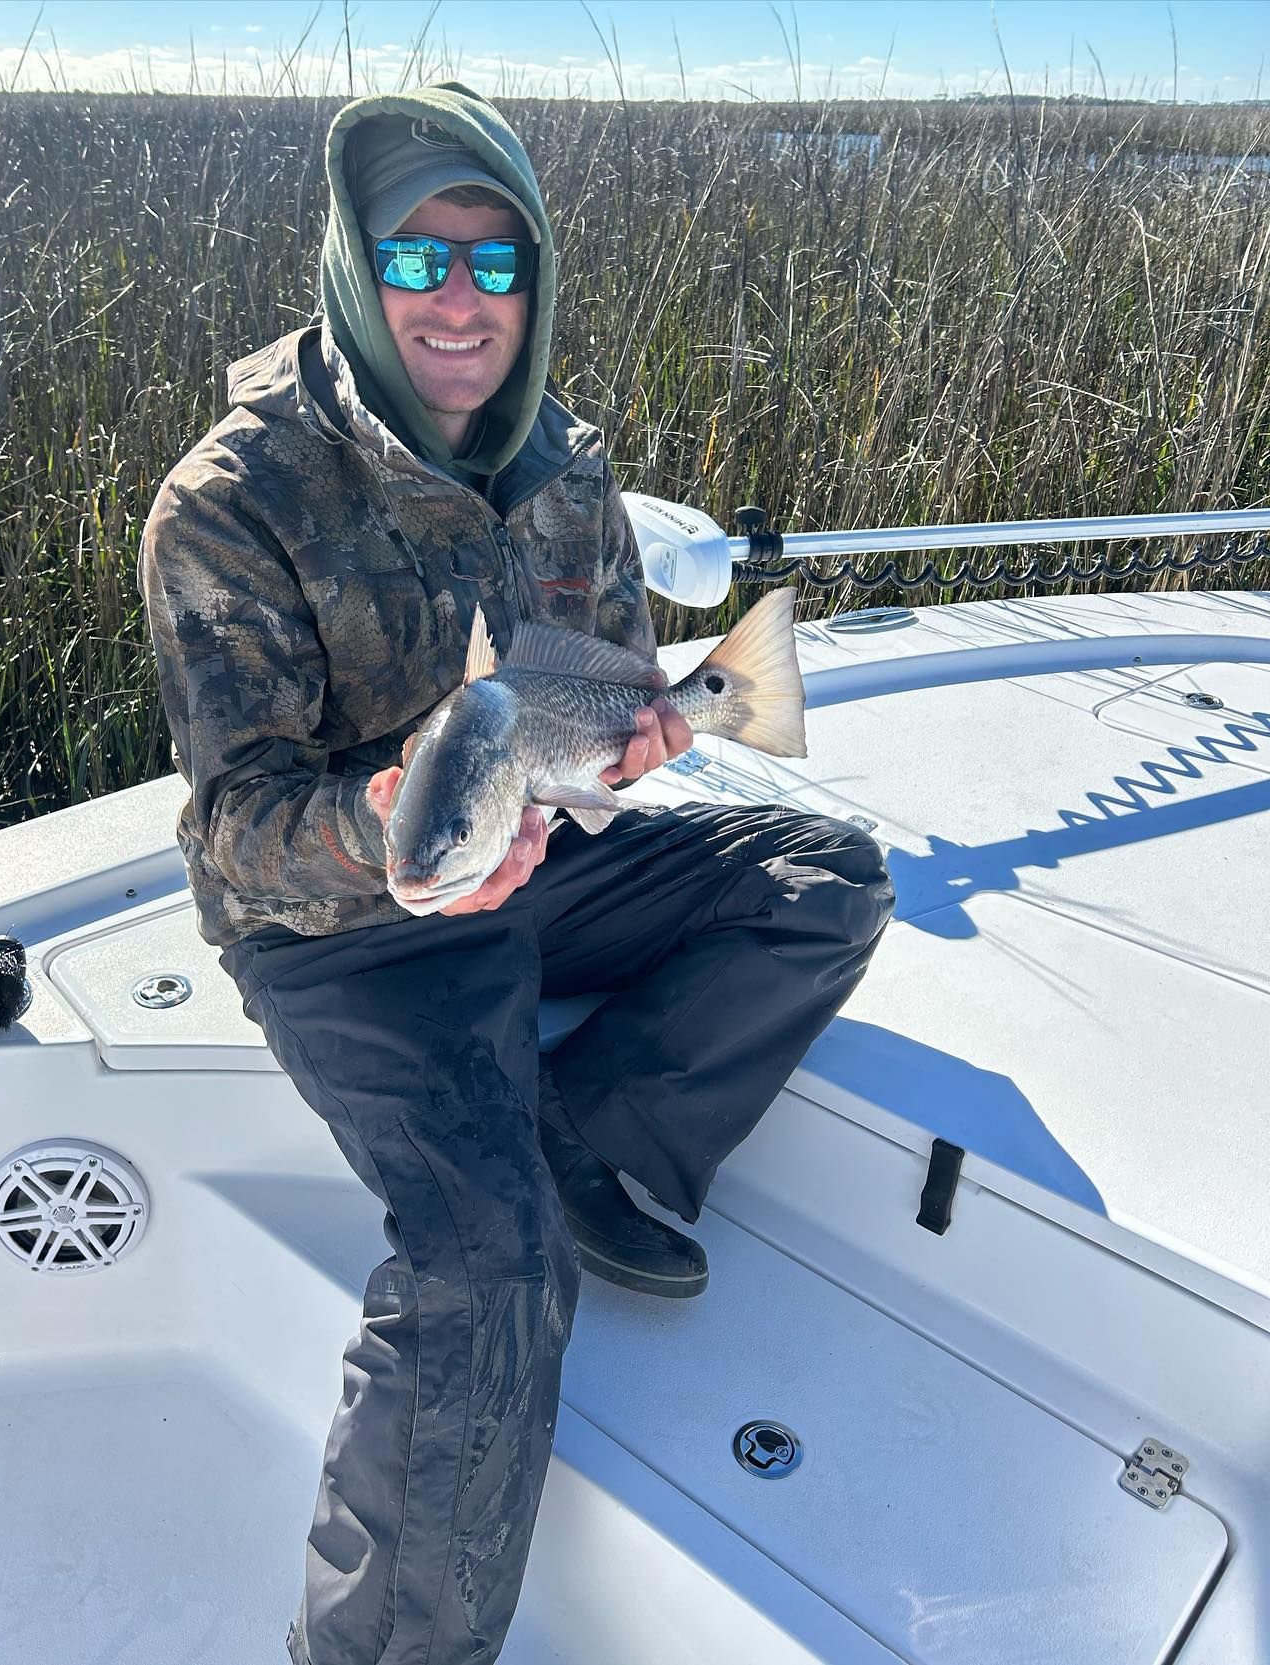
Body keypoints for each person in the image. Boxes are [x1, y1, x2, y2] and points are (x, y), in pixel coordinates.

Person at [137, 81, 894, 1665]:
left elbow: (606, 672)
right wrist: (394, 823)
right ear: (358, 271)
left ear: (535, 280)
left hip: (538, 843)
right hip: (347, 925)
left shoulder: (563, 466)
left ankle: (590, 1130)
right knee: (489, 1268)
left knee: (825, 878)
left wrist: (640, 747)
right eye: (419, 261)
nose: (463, 300)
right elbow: (233, 834)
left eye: (498, 261)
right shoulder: (230, 498)